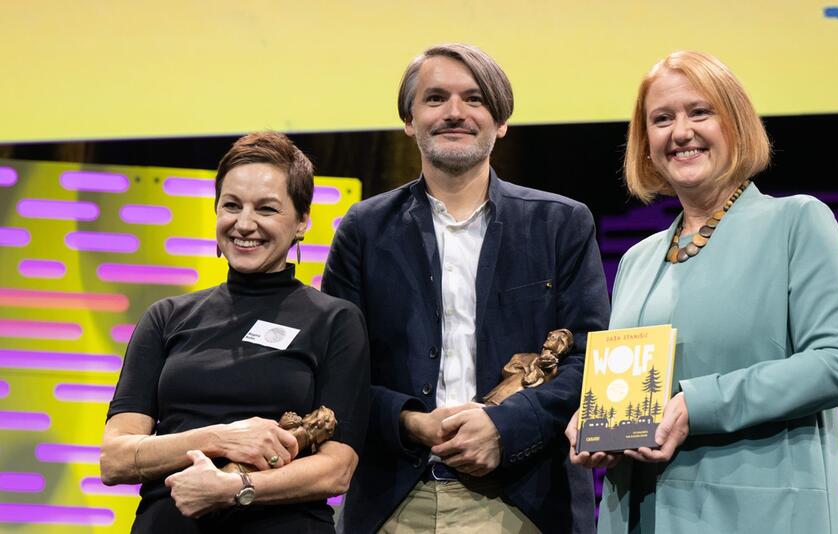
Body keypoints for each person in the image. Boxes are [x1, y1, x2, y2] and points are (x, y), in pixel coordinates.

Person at [566, 50, 838, 533]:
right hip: (637, 515)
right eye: (661, 119)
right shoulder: (636, 260)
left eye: (699, 112)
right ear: (645, 143)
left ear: (736, 124)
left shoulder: (795, 222)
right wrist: (594, 422)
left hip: (760, 515)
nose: (680, 131)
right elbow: (626, 387)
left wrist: (697, 405)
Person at [322, 43, 610, 533]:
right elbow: (336, 372)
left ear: (500, 122)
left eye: (474, 99)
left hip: (524, 504)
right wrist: (410, 422)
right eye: (435, 98)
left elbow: (591, 359)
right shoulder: (363, 229)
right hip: (392, 503)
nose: (455, 112)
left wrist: (504, 427)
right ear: (409, 120)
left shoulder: (561, 223)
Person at [100, 131, 370, 533]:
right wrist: (221, 439)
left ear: (301, 222)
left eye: (266, 209)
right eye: (231, 205)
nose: (245, 224)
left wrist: (235, 487)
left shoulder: (335, 320)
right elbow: (115, 459)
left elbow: (337, 470)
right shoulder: (166, 316)